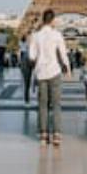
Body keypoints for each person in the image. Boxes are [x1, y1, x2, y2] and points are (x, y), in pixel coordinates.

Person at [29, 9, 70, 146]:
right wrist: (67, 69)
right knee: (56, 105)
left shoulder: (36, 36)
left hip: (41, 73)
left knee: (43, 105)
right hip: (54, 71)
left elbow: (31, 56)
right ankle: (57, 134)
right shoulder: (57, 35)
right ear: (53, 20)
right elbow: (63, 54)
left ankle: (43, 135)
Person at [19, 36, 33, 103]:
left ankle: (27, 98)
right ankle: (26, 98)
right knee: (27, 84)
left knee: (27, 84)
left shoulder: (26, 51)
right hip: (26, 68)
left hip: (26, 67)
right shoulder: (28, 52)